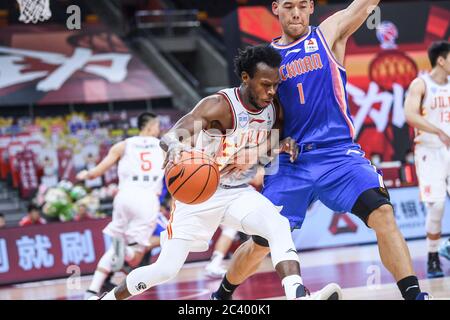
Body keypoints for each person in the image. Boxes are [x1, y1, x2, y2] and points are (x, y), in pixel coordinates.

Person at [212, 0, 430, 301]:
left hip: (338, 155)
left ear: (312, 7)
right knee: (262, 242)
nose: (296, 13)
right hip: (290, 161)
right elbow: (255, 115)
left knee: (382, 212)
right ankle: (221, 296)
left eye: (302, 5)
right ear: (276, 8)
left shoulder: (327, 34)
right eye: (289, 6)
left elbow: (364, 5)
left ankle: (414, 296)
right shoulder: (264, 60)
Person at [98, 44, 341, 300]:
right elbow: (172, 136)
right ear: (246, 78)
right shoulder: (219, 106)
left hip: (236, 192)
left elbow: (272, 144)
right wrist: (176, 147)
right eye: (265, 84)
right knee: (165, 270)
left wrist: (280, 145)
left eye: (276, 85)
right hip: (197, 195)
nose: (271, 91)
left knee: (278, 225)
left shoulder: (273, 108)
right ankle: (109, 298)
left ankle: (298, 295)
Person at [77, 112, 165, 299]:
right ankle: (124, 250)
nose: (158, 130)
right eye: (157, 126)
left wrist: (85, 175)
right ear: (150, 126)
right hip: (146, 199)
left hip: (124, 196)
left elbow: (96, 173)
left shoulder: (123, 145)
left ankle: (91, 291)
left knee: (116, 246)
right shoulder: (164, 146)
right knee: (135, 256)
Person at [404, 40, 450, 278]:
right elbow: (409, 115)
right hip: (429, 150)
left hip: (449, 150)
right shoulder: (421, 84)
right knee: (438, 206)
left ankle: (448, 246)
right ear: (441, 60)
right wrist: (438, 131)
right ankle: (433, 256)